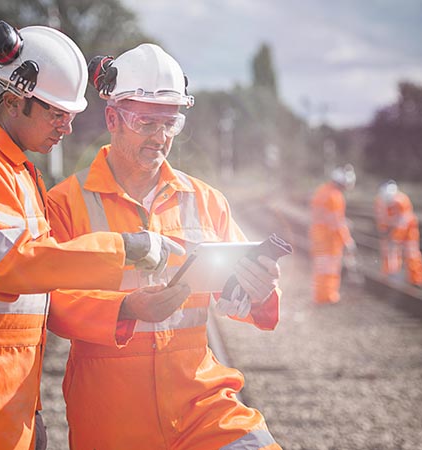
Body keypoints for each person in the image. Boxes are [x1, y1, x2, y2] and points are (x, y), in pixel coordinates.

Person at [0, 22, 185, 450]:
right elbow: (7, 267)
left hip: (4, 379)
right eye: (56, 113)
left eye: (70, 116)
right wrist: (124, 248)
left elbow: (42, 268)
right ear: (16, 100)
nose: (66, 128)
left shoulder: (13, 169)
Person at [45, 44, 283, 449]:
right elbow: (49, 304)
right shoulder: (65, 203)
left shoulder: (206, 200)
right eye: (146, 122)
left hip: (201, 404)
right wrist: (125, 308)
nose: (160, 137)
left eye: (170, 124)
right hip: (111, 416)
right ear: (113, 119)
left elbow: (236, 298)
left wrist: (260, 293)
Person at [308, 164, 357, 304]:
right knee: (330, 270)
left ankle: (320, 296)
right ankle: (328, 296)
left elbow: (323, 216)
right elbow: (337, 223)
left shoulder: (321, 191)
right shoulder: (335, 196)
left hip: (318, 236)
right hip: (330, 240)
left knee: (320, 269)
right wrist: (347, 241)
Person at [376, 180, 422, 286]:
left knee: (412, 254)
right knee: (388, 252)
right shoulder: (381, 202)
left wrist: (395, 238)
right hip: (392, 230)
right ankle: (389, 276)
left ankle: (416, 280)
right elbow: (382, 219)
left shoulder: (403, 201)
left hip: (409, 231)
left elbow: (403, 224)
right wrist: (385, 233)